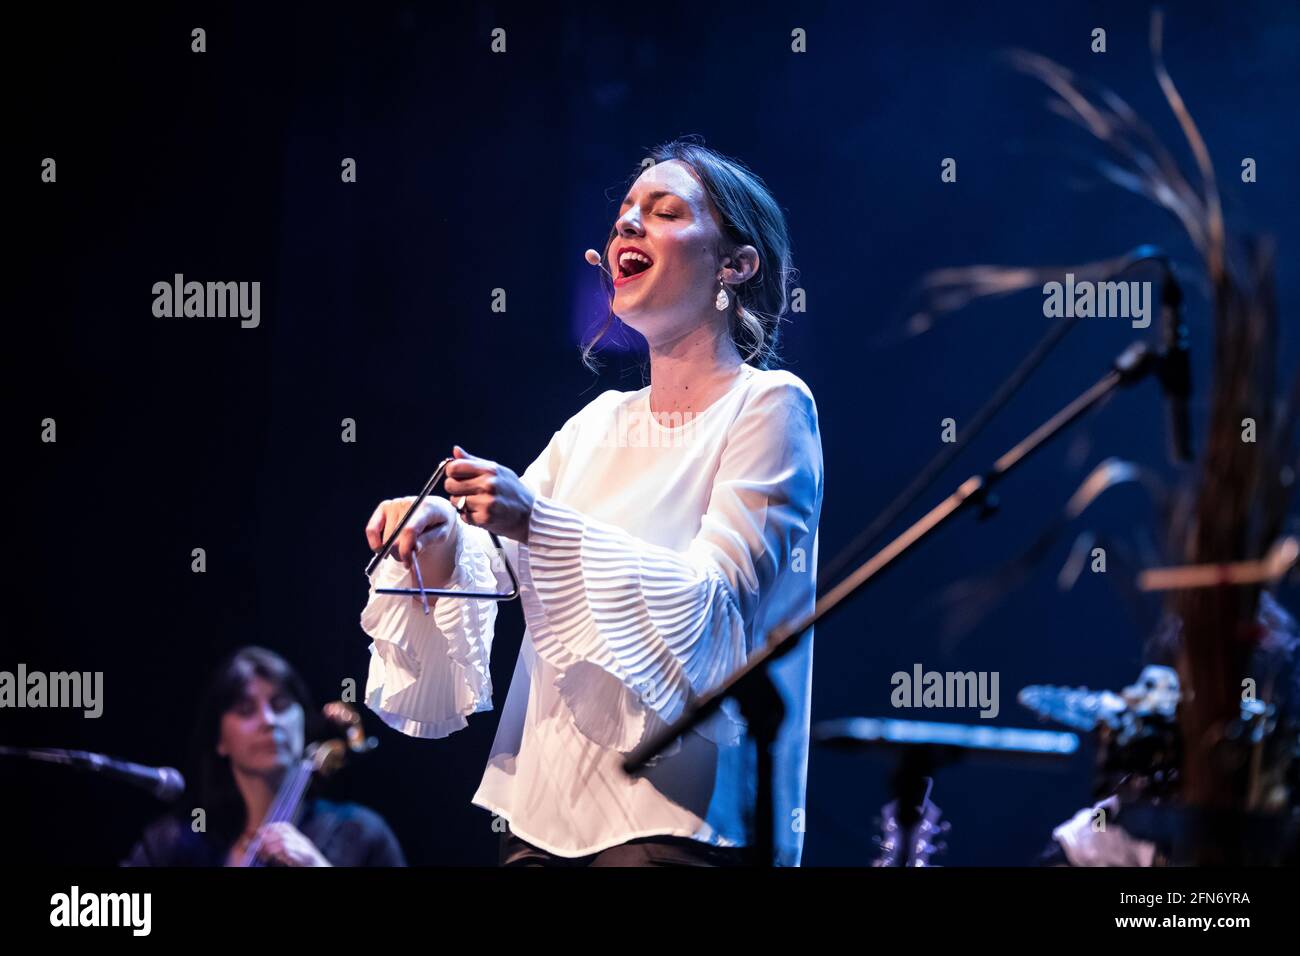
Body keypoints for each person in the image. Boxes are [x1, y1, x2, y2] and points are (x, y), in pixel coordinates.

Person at [362, 137, 823, 866]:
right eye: (621, 218)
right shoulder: (597, 423)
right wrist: (441, 535)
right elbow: (501, 564)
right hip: (544, 814)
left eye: (664, 211)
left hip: (674, 820)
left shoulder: (769, 406)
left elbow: (717, 610)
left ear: (735, 265)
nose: (628, 227)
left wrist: (533, 521)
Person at [123, 646, 405, 867]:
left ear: (301, 720)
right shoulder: (172, 845)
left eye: (280, 704)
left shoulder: (360, 834)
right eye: (246, 710)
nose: (269, 720)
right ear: (220, 740)